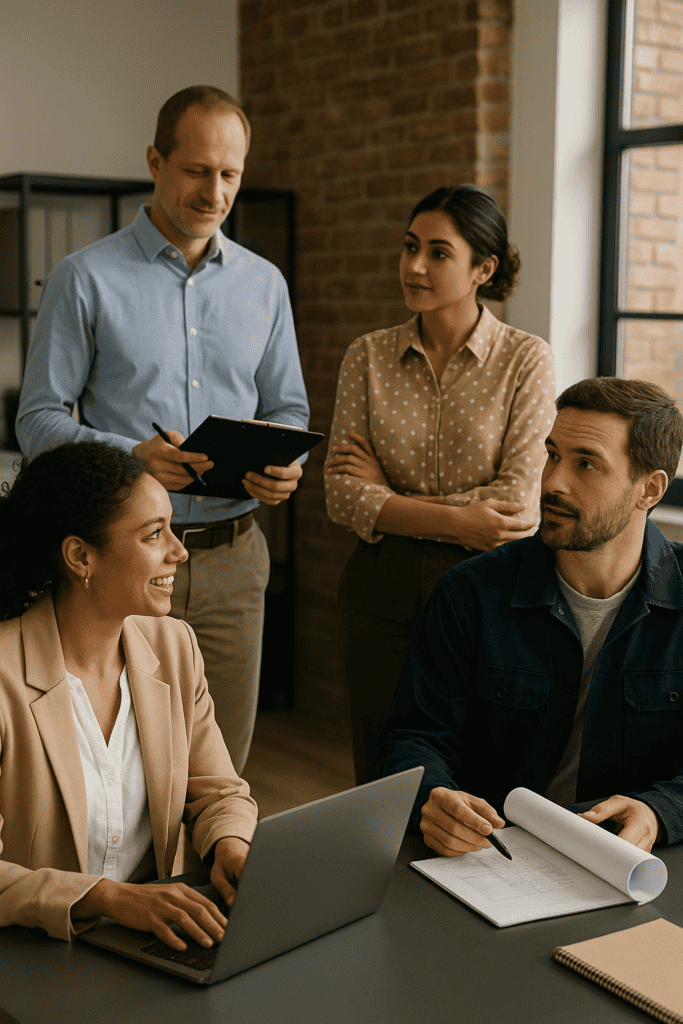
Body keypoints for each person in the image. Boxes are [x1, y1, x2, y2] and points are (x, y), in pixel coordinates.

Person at [15, 85, 310, 774]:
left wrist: (283, 464)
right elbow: (37, 420)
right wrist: (131, 459)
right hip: (122, 560)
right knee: (122, 770)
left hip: (236, 560)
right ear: (155, 161)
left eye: (230, 174)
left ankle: (207, 887)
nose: (215, 191)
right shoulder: (82, 277)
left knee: (219, 772)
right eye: (197, 169)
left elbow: (288, 409)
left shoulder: (266, 285)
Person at [378, 377, 683, 856]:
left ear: (649, 489)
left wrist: (661, 810)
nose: (554, 482)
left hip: (631, 868)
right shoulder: (471, 591)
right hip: (490, 861)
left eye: (586, 463)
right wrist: (430, 796)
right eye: (553, 454)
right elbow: (413, 736)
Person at [325, 184, 555, 784]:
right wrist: (458, 521)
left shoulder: (527, 360)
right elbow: (340, 495)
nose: (415, 266)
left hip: (485, 591)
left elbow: (515, 507)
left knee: (472, 771)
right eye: (409, 247)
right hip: (379, 590)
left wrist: (389, 501)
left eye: (438, 252)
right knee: (380, 773)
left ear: (484, 268)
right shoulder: (367, 356)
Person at [0, 441, 258, 945]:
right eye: (154, 534)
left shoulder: (174, 645)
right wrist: (109, 898)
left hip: (154, 944)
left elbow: (219, 791)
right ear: (80, 556)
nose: (180, 551)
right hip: (33, 954)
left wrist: (232, 845)